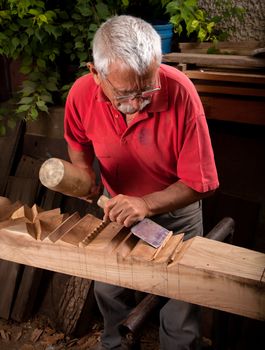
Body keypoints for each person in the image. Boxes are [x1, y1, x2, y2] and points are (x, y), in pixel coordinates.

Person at [64, 15, 219, 350]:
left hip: (176, 211)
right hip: (115, 207)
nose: (136, 103)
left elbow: (201, 182)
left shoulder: (180, 93)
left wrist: (147, 203)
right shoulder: (80, 93)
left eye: (146, 89)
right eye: (124, 94)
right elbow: (77, 141)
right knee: (109, 288)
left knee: (179, 305)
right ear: (95, 73)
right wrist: (84, 172)